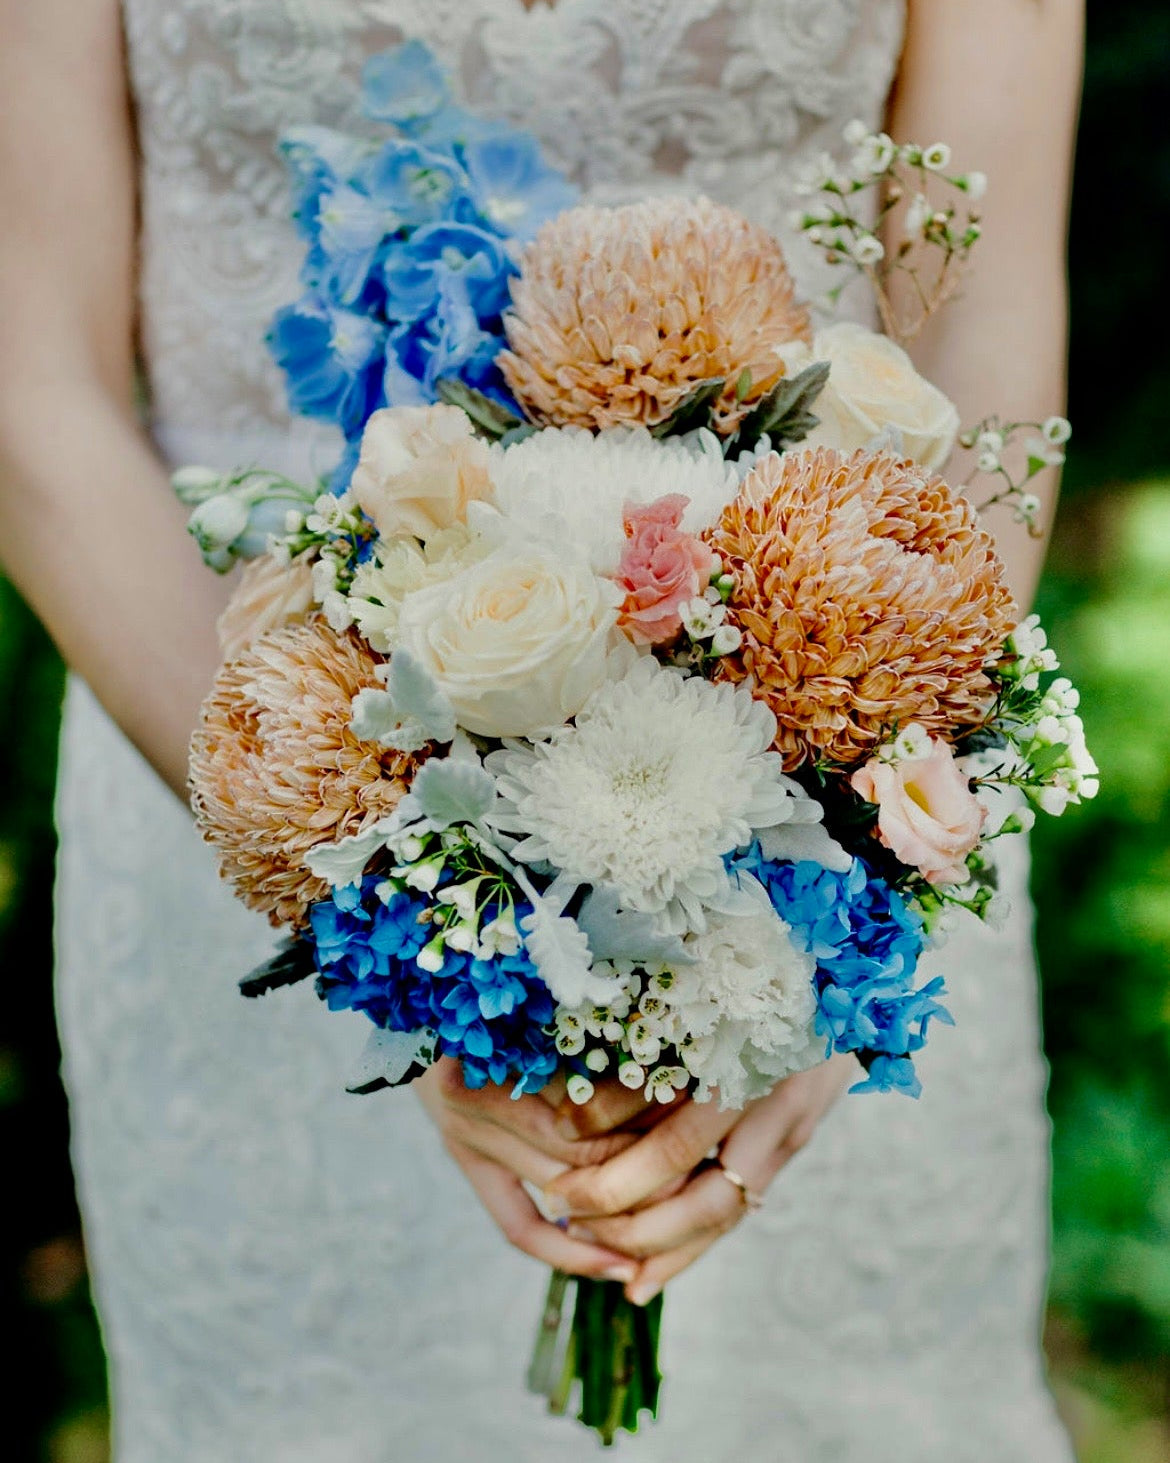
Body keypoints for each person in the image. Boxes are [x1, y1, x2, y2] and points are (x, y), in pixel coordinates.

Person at [0, 1, 1084, 1457]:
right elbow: (29, 384)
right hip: (231, 739)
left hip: (827, 776)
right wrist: (393, 906)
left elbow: (988, 336)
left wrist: (833, 908)